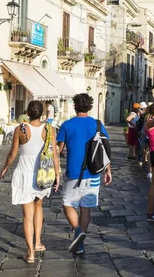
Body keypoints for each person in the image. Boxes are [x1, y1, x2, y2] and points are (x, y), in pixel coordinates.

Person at [0, 101, 60, 263]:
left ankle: (30, 252)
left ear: (27, 112)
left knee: (27, 215)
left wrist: (5, 167)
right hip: (42, 173)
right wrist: (57, 173)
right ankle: (38, 242)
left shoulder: (21, 129)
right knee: (39, 206)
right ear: (41, 113)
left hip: (24, 174)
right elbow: (55, 153)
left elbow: (12, 154)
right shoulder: (49, 129)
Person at [57, 93, 112, 255]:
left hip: (74, 172)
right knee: (86, 208)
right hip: (94, 173)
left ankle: (77, 230)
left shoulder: (67, 125)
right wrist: (108, 170)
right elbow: (105, 149)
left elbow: (58, 150)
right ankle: (80, 244)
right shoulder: (98, 125)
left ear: (75, 106)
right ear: (90, 106)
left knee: (68, 204)